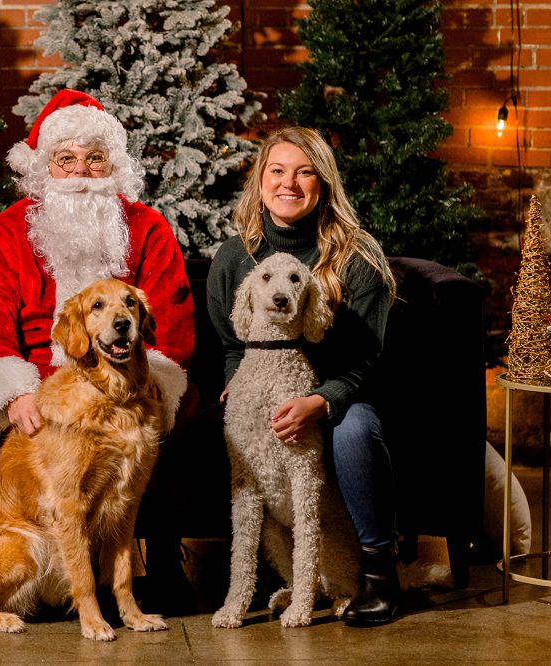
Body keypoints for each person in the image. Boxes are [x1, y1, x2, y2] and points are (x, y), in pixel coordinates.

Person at [0, 89, 195, 607]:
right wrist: (15, 395)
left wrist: (152, 390)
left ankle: (163, 564)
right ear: (46, 169)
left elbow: (169, 318)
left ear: (113, 165)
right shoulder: (6, 232)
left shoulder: (148, 228)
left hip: (130, 383)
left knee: (161, 427)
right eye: (66, 160)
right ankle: (43, 581)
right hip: (40, 390)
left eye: (94, 159)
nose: (81, 173)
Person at [206, 125, 400, 626]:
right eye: (277, 171)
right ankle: (287, 578)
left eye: (304, 172)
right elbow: (232, 344)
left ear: (323, 183)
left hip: (345, 392)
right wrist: (237, 379)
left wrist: (320, 401)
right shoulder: (235, 257)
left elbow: (369, 357)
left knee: (354, 430)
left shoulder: (356, 255)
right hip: (266, 385)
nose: (288, 183)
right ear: (261, 181)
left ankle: (380, 574)